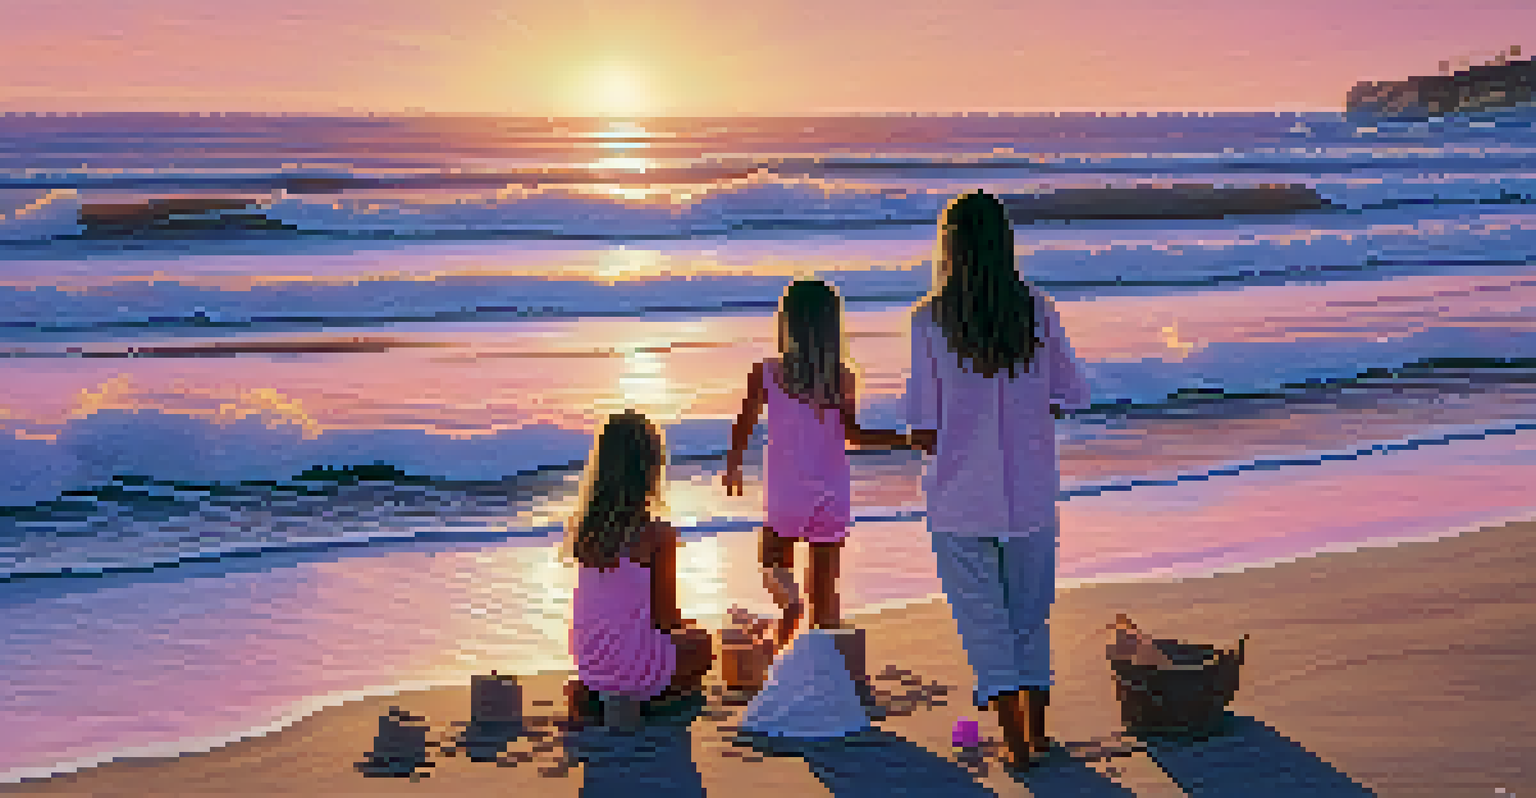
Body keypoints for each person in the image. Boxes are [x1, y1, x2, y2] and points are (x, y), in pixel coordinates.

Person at [906, 191, 1090, 769]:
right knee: (1029, 618)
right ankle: (1034, 736)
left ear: (950, 246)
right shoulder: (1037, 309)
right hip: (1031, 493)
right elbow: (1072, 394)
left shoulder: (929, 320)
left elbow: (921, 426)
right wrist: (1027, 415)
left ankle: (1018, 749)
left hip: (961, 501)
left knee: (986, 626)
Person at [724, 279, 908, 650]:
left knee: (772, 562)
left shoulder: (767, 373)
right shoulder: (840, 377)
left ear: (786, 325)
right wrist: (906, 439)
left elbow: (743, 424)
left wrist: (734, 465)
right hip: (830, 499)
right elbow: (854, 436)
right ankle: (833, 668)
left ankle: (788, 613)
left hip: (785, 499)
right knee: (825, 601)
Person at [564, 410, 715, 726]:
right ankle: (647, 699)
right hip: (631, 665)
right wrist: (688, 628)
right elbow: (665, 618)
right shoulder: (656, 533)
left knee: (662, 641)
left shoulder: (585, 530)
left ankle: (598, 695)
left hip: (588, 664)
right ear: (649, 470)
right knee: (702, 645)